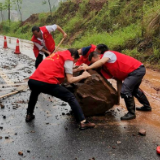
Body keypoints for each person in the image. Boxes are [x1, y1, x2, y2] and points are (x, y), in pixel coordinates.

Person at [26, 48, 95, 130]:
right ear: (73, 56)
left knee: (34, 93)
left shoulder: (56, 55)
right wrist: (83, 76)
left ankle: (29, 115)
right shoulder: (69, 59)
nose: (74, 63)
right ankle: (83, 122)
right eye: (75, 61)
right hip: (47, 82)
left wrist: (77, 69)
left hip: (33, 81)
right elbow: (70, 80)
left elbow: (59, 70)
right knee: (70, 97)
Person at [79, 44, 152, 120]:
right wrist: (118, 99)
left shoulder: (107, 54)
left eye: (93, 62)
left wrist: (88, 67)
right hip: (136, 71)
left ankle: (131, 113)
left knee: (126, 90)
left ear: (96, 57)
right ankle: (147, 107)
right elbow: (119, 81)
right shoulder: (107, 67)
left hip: (136, 70)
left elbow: (101, 62)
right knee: (133, 90)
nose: (95, 65)